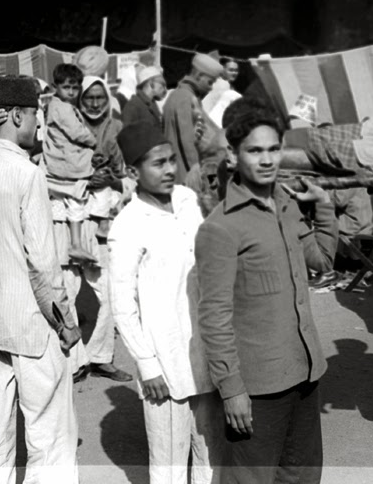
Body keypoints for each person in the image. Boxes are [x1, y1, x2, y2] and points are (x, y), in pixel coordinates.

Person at [195, 100, 338, 484]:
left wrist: (323, 206)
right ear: (233, 154)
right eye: (255, 151)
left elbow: (322, 260)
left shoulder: (288, 205)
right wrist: (232, 391)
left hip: (305, 372)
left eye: (273, 149)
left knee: (302, 477)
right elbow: (214, 318)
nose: (266, 159)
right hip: (258, 388)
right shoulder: (220, 228)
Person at [0, 76, 81, 484]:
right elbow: (42, 265)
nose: (39, 123)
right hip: (33, 327)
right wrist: (66, 322)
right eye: (35, 112)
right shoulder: (26, 173)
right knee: (51, 441)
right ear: (17, 114)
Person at [109, 120, 225, 484]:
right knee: (169, 463)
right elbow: (122, 304)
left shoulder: (188, 201)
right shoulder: (128, 225)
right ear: (133, 171)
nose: (171, 169)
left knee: (211, 451)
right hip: (164, 359)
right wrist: (147, 365)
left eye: (172, 160)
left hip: (204, 348)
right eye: (158, 164)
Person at [60, 75, 132, 383]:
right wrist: (81, 180)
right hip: (66, 218)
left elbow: (128, 176)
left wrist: (111, 181)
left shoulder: (115, 131)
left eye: (100, 97)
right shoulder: (65, 126)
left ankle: (101, 356)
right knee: (65, 290)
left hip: (102, 221)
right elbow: (46, 168)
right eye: (88, 97)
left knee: (112, 293)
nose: (94, 103)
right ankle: (73, 361)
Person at [43, 62, 97, 259]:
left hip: (63, 162)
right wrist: (94, 140)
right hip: (68, 165)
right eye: (67, 87)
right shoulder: (62, 108)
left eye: (75, 87)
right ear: (55, 87)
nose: (72, 91)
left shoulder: (60, 105)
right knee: (77, 199)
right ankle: (76, 243)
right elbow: (77, 133)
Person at [163, 53, 223, 184]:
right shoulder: (184, 98)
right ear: (199, 76)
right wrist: (198, 177)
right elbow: (188, 144)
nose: (211, 87)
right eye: (210, 82)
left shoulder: (182, 95)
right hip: (184, 177)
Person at [122, 64, 167, 128]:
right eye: (162, 83)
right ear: (151, 84)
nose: (164, 88)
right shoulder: (133, 106)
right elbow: (126, 134)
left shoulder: (153, 104)